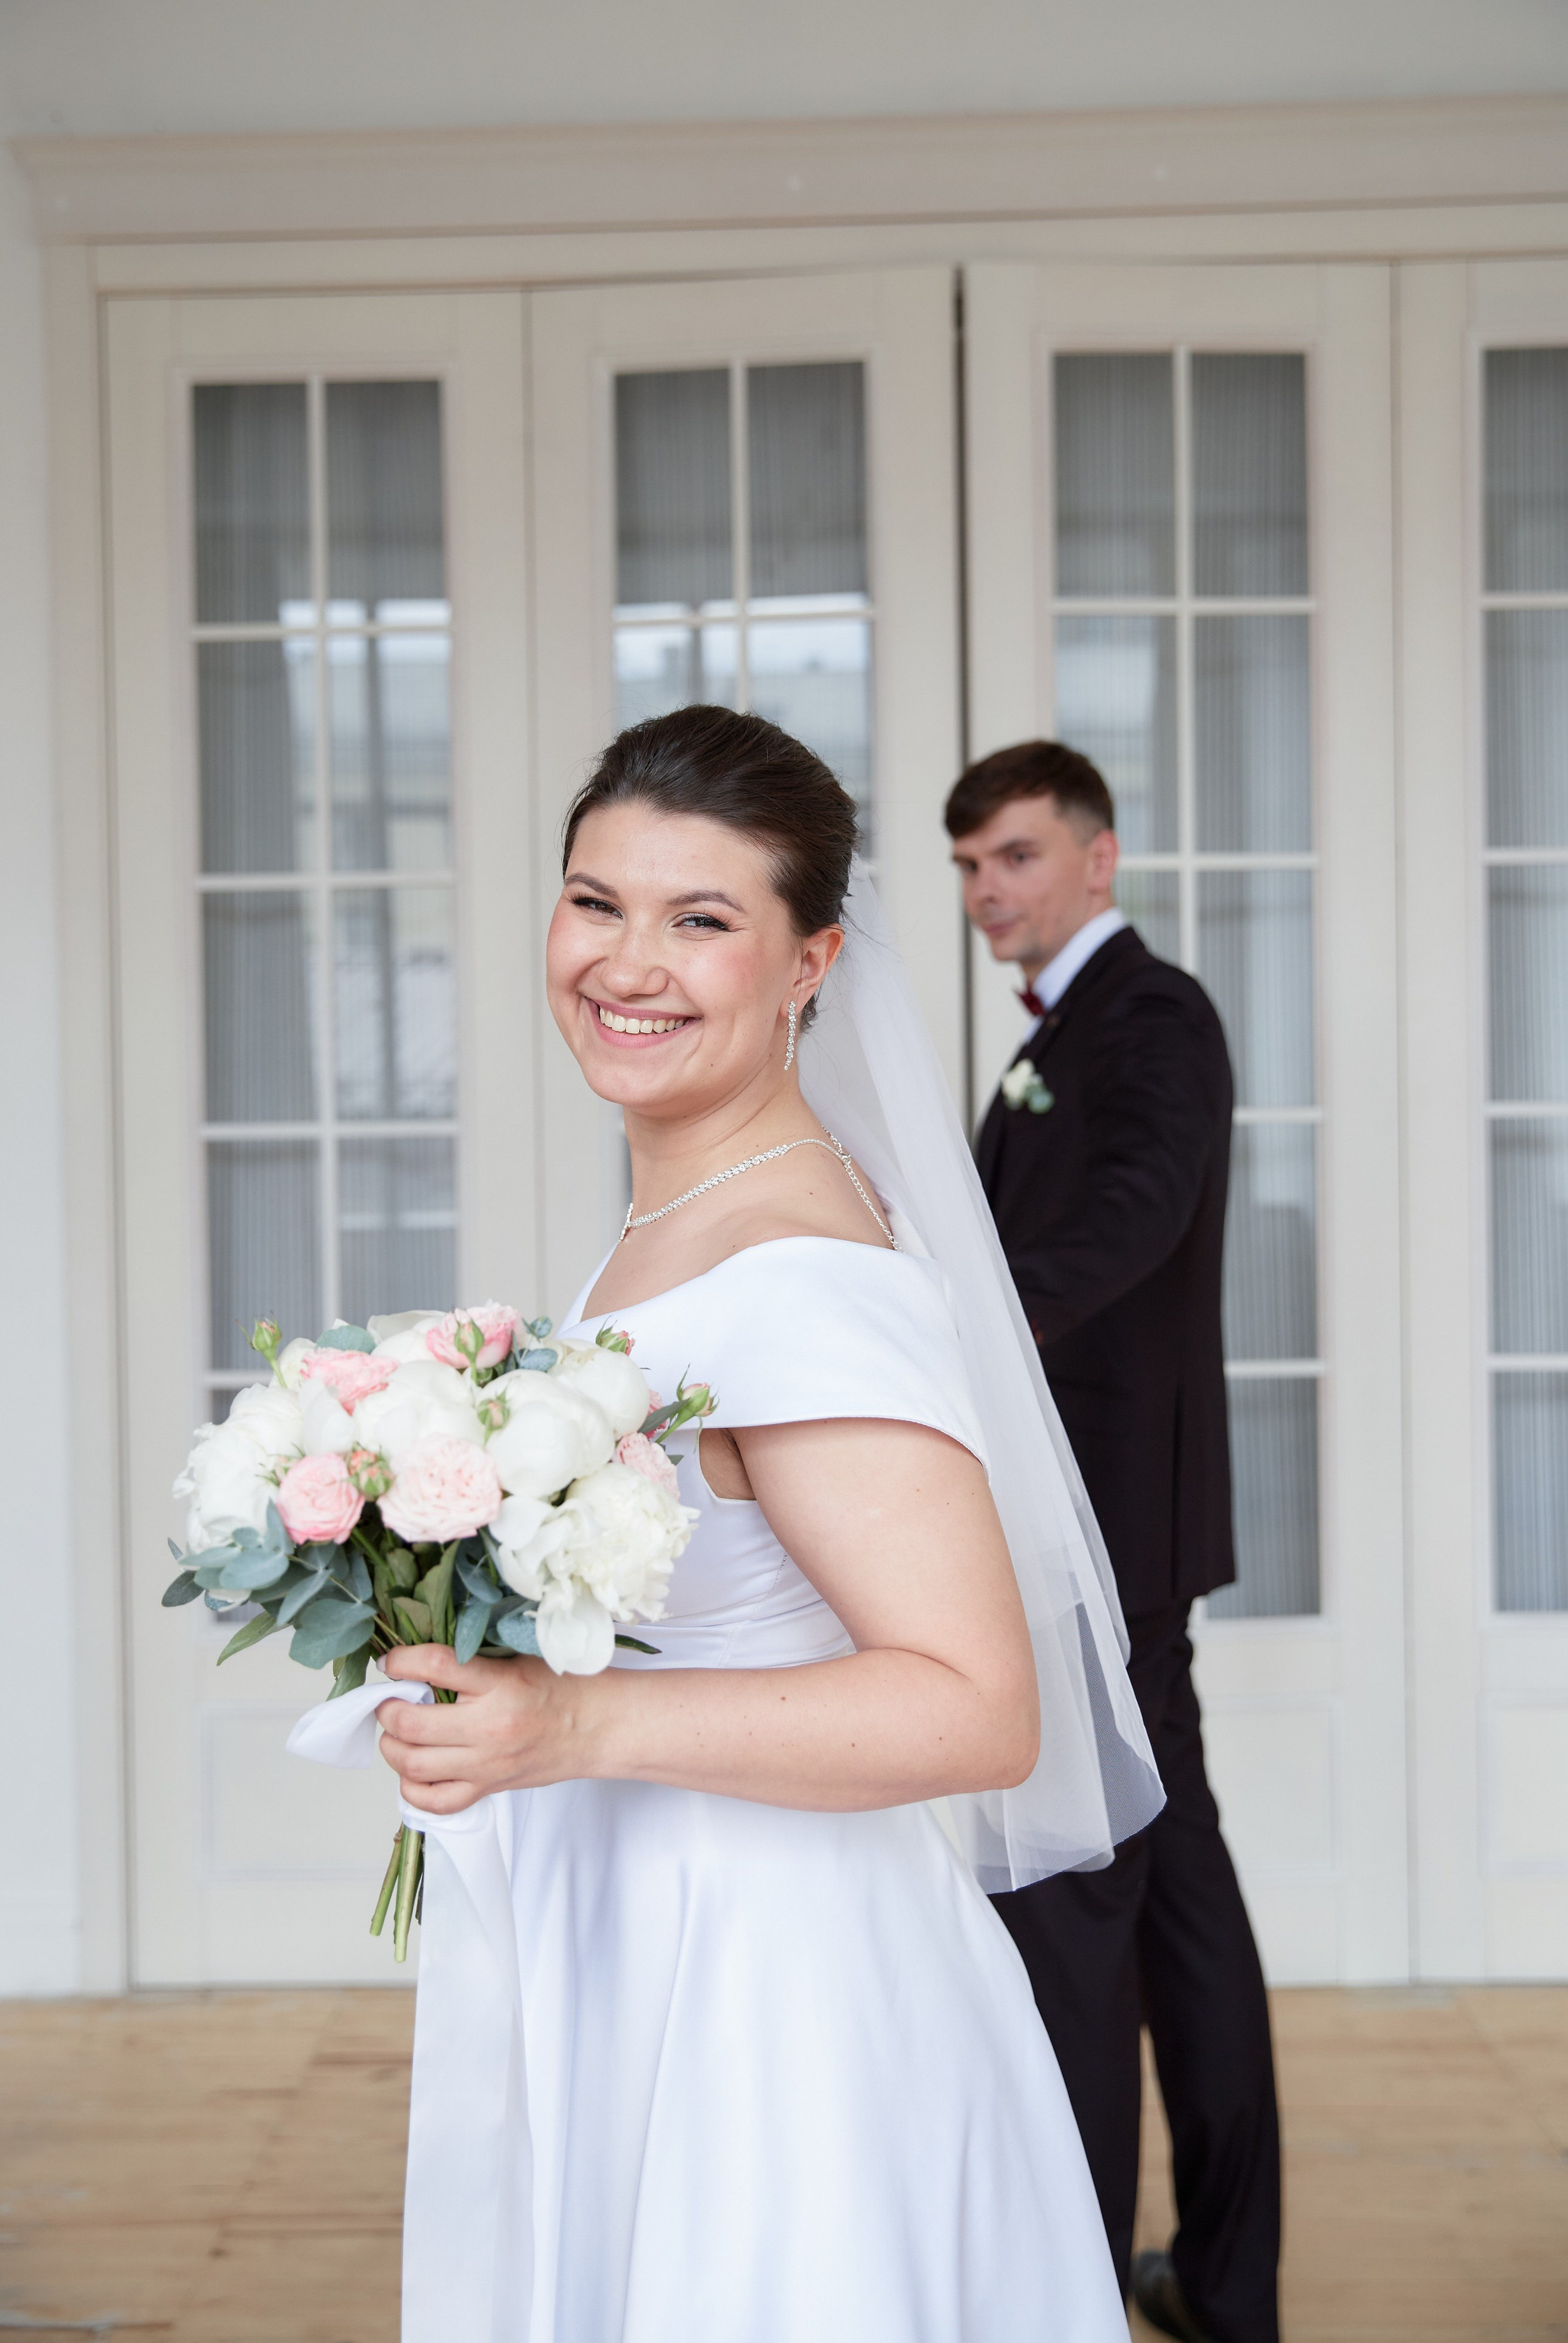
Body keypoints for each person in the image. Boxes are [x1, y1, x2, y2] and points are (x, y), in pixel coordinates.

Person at [373, 706, 1163, 2343]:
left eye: (700, 920)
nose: (626, 963)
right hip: (648, 1939)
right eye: (595, 902)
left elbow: (972, 1706)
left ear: (810, 963)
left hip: (763, 1998)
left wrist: (573, 1724)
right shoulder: (685, 1206)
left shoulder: (800, 1272)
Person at [945, 738, 1282, 2343]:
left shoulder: (1150, 1015)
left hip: (1103, 1537)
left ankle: (1069, 2287)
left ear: (1099, 856)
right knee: (1172, 1905)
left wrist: (956, 1327)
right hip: (1100, 1526)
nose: (982, 890)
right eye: (966, 865)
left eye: (1012, 855)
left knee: (1079, 1906)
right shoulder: (1062, 1032)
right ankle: (1218, 2287)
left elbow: (1137, 1208)